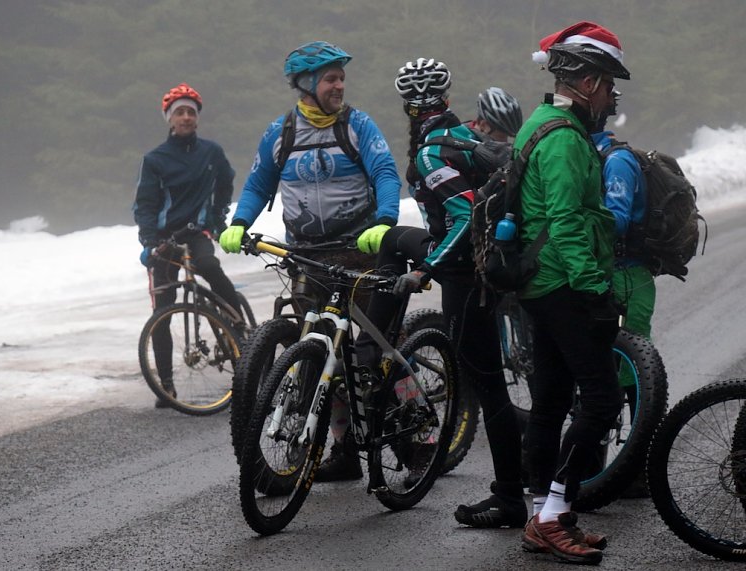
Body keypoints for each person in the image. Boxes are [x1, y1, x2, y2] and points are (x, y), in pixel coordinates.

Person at [352, 57, 528, 527]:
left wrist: (426, 268)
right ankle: (375, 345)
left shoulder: (432, 153)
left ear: (407, 107)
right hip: (488, 264)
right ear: (448, 99)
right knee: (393, 238)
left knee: (487, 385)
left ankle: (511, 496)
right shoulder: (470, 135)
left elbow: (465, 217)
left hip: (466, 273)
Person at [219, 41, 402, 481]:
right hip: (306, 256)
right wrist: (239, 221)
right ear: (306, 85)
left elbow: (386, 174)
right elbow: (259, 183)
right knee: (322, 348)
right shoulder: (280, 132)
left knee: (373, 352)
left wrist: (385, 220)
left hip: (360, 251)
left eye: (341, 78)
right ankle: (342, 451)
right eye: (330, 79)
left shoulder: (357, 125)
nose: (339, 85)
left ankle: (418, 441)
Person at [514, 21, 630, 564]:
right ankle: (555, 512)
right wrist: (594, 290)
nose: (612, 96)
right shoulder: (561, 137)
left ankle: (544, 515)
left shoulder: (544, 123)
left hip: (543, 283)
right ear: (585, 81)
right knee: (601, 399)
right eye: (608, 84)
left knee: (553, 401)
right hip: (562, 282)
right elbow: (564, 220)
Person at [133, 82, 242, 408]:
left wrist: (218, 217)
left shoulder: (212, 152)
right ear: (169, 118)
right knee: (163, 310)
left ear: (197, 118)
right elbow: (145, 205)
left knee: (209, 265)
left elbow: (226, 182)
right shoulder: (154, 159)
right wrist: (150, 241)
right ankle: (166, 387)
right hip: (165, 239)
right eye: (179, 112)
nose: (185, 117)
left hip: (197, 233)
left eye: (190, 112)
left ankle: (237, 323)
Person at [591, 90, 654, 499]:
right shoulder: (592, 154)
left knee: (633, 372)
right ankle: (598, 465)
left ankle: (635, 468)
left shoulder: (616, 160)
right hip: (608, 272)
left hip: (629, 275)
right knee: (602, 367)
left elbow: (616, 217)